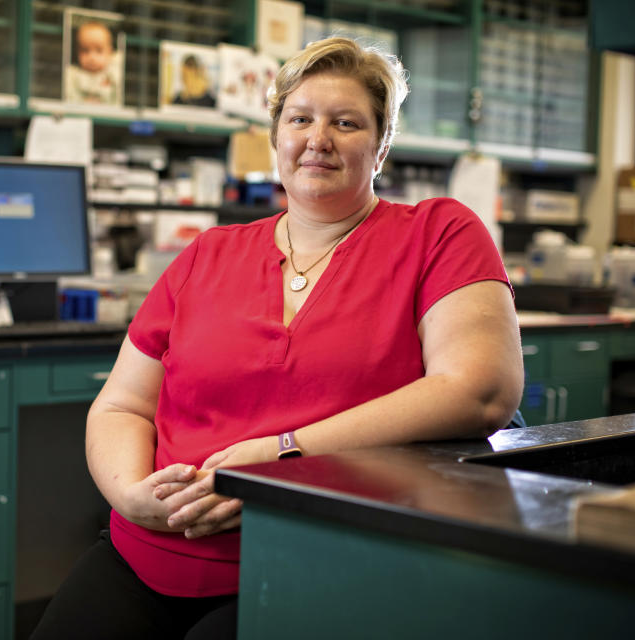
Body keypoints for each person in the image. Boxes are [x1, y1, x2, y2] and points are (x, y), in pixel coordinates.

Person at [31, 37, 524, 639]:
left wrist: (282, 455)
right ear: (276, 137)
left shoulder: (437, 234)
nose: (318, 139)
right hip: (148, 550)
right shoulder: (207, 254)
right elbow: (121, 405)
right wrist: (132, 496)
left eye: (346, 123)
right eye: (300, 119)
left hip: (319, 556)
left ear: (382, 145)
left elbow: (480, 391)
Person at [64, 20, 120, 105]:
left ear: (110, 52)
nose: (92, 57)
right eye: (85, 50)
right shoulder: (73, 74)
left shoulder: (112, 73)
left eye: (99, 50)